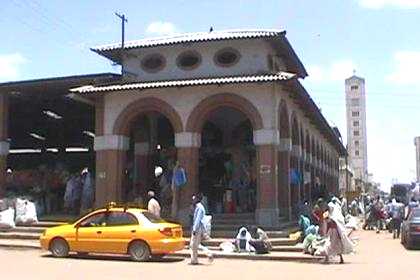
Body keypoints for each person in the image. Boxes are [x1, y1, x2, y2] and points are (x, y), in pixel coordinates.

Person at [190, 193, 213, 265]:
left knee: (193, 244)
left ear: (197, 199)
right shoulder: (198, 207)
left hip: (198, 228)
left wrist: (194, 229)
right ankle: (194, 259)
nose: (192, 200)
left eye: (194, 198)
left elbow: (198, 219)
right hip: (198, 228)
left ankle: (208, 254)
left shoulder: (199, 208)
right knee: (194, 245)